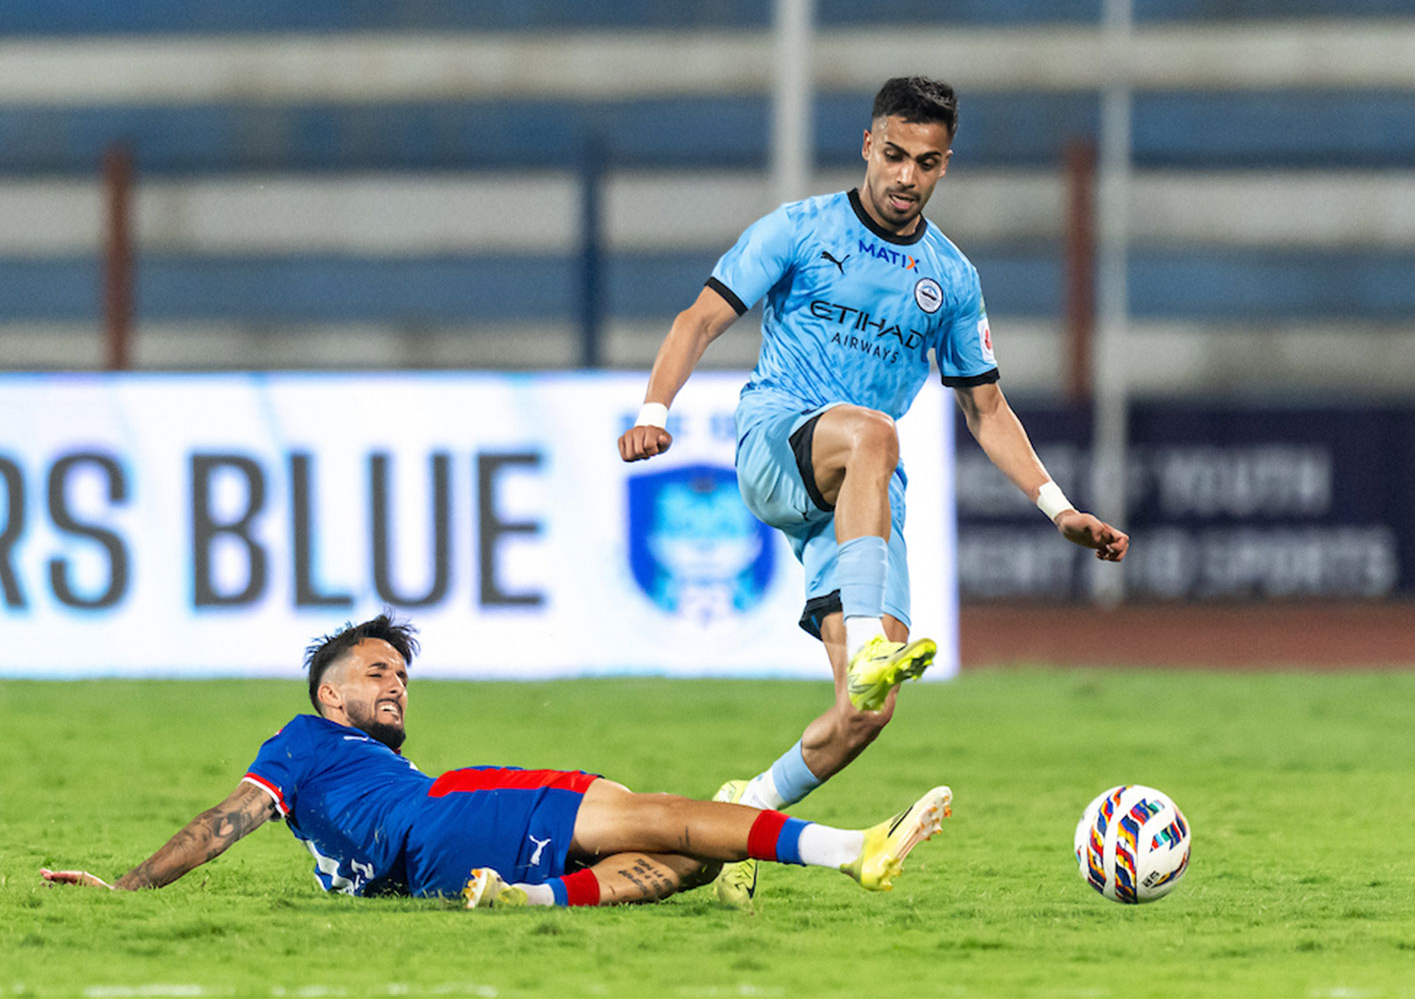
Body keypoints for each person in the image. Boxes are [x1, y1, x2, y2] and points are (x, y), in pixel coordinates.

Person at [618, 76, 1128, 906]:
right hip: (780, 441)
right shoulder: (800, 229)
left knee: (866, 714)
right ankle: (869, 641)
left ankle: (743, 810)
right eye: (894, 155)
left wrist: (1059, 507)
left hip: (862, 496)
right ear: (867, 145)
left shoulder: (950, 279)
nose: (906, 176)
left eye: (926, 164)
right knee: (876, 434)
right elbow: (698, 320)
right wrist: (654, 410)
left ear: (944, 166)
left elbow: (986, 407)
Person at [39, 613, 952, 908]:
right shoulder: (303, 740)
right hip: (446, 814)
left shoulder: (341, 779)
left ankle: (533, 898)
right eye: (375, 672)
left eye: (401, 673)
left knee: (691, 857)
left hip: (432, 867)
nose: (395, 685)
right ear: (330, 695)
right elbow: (219, 825)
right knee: (661, 813)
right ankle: (850, 848)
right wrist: (128, 888)